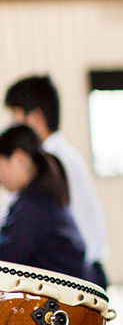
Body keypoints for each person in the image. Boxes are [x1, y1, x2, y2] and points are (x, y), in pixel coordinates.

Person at [4, 75, 110, 288]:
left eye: (15, 117)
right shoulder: (60, 157)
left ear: (36, 118)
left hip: (80, 280)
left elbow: (24, 221)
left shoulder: (50, 161)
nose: (11, 126)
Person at [0, 124, 89, 281]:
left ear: (19, 159)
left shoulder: (34, 205)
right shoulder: (41, 197)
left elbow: (6, 257)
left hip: (68, 295)